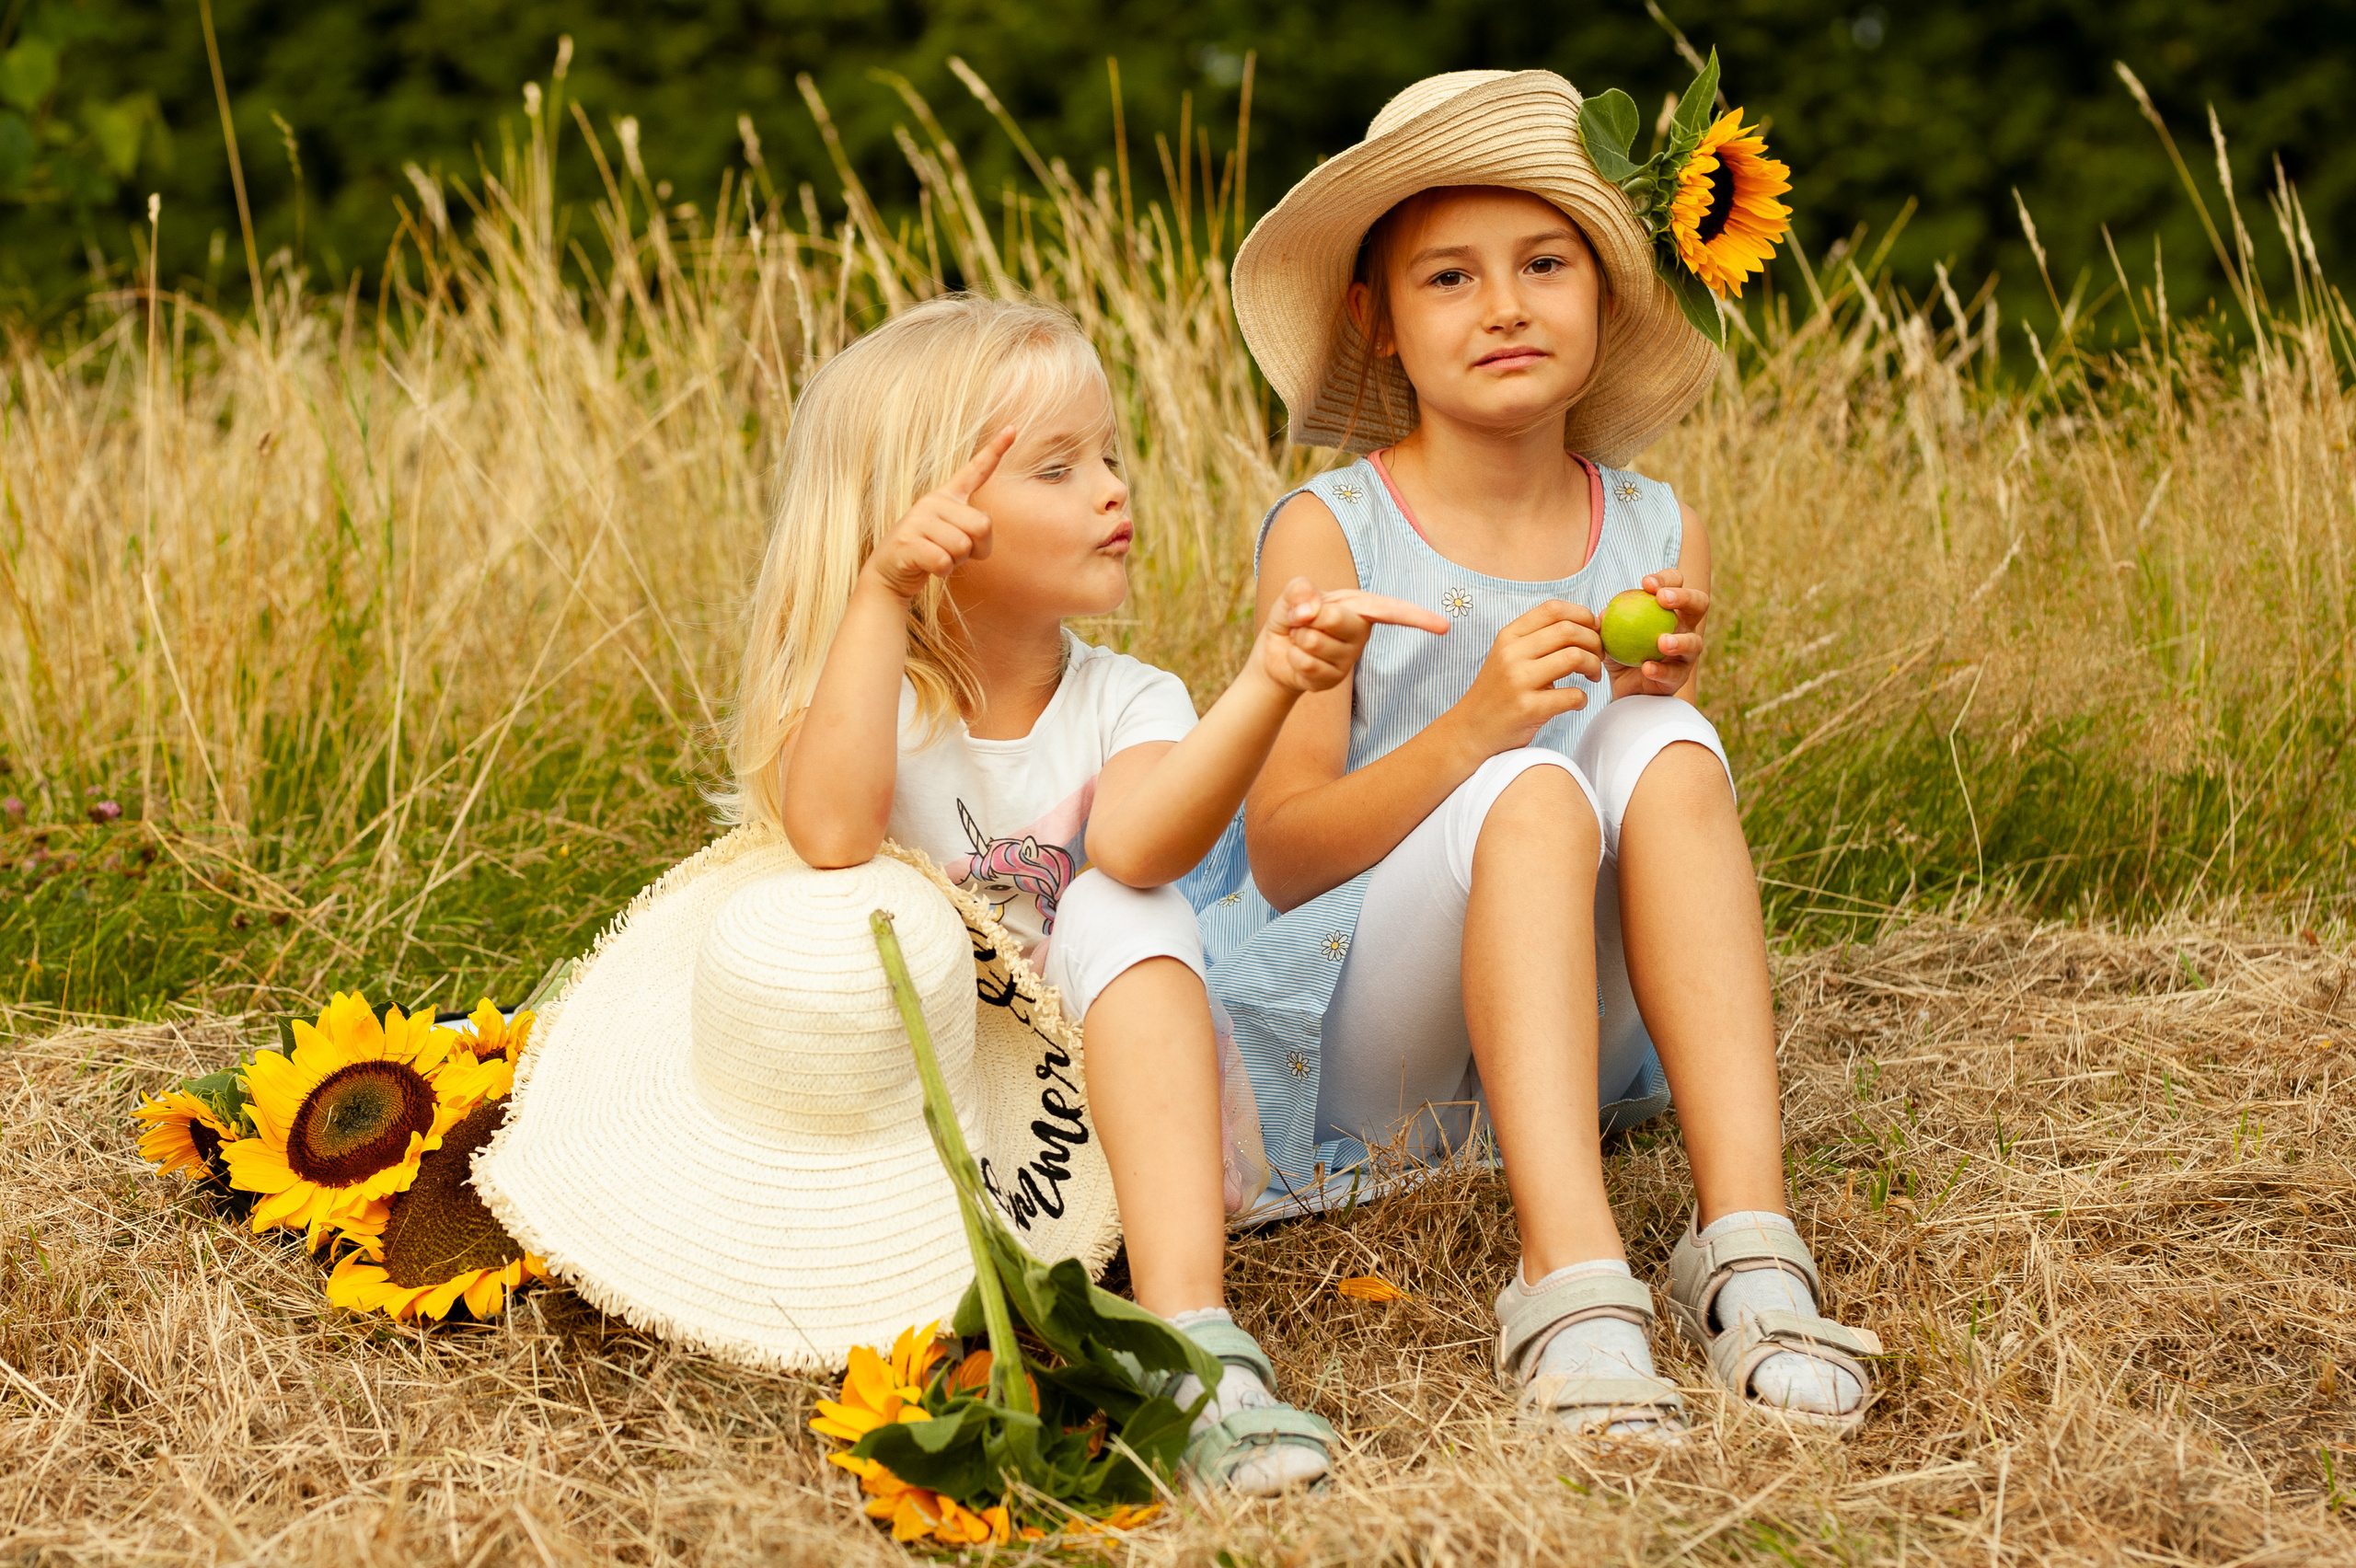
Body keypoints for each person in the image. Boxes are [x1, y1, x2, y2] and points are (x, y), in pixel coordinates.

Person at [1189, 68, 1880, 1435]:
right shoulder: (1333, 533)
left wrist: (1641, 693)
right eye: (1448, 277)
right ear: (1374, 323)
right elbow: (1280, 853)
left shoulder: (1650, 520)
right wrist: (1475, 727)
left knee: (1667, 737)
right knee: (1520, 777)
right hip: (1372, 1039)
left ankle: (1747, 1246)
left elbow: (1638, 794)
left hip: (1568, 1031)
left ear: (1604, 297)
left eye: (1544, 263)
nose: (1503, 306)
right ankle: (1571, 1277)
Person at [728, 294, 1448, 1490]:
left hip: (1114, 1133)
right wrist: (877, 596)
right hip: (933, 1146)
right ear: (931, 513)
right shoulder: (878, 712)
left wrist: (1265, 685)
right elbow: (830, 833)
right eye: (1058, 467)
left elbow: (1145, 847)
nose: (1114, 488)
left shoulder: (1131, 699)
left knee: (1121, 899)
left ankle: (1190, 1337)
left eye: (1109, 455)